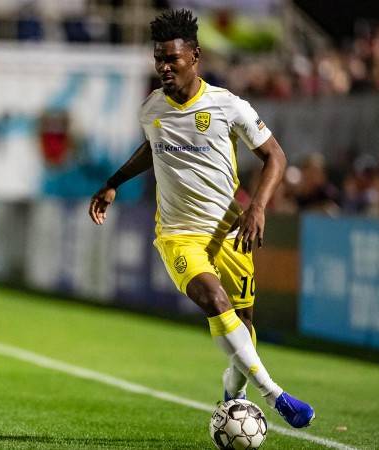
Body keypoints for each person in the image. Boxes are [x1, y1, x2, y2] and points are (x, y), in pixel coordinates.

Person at [88, 9, 314, 428]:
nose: (164, 67)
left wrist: (257, 207)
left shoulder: (228, 106)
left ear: (195, 56)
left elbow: (275, 157)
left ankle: (234, 390)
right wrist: (114, 182)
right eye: (158, 59)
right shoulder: (151, 108)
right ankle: (276, 396)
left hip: (229, 232)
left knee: (243, 326)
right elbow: (153, 146)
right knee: (214, 300)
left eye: (172, 58)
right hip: (178, 235)